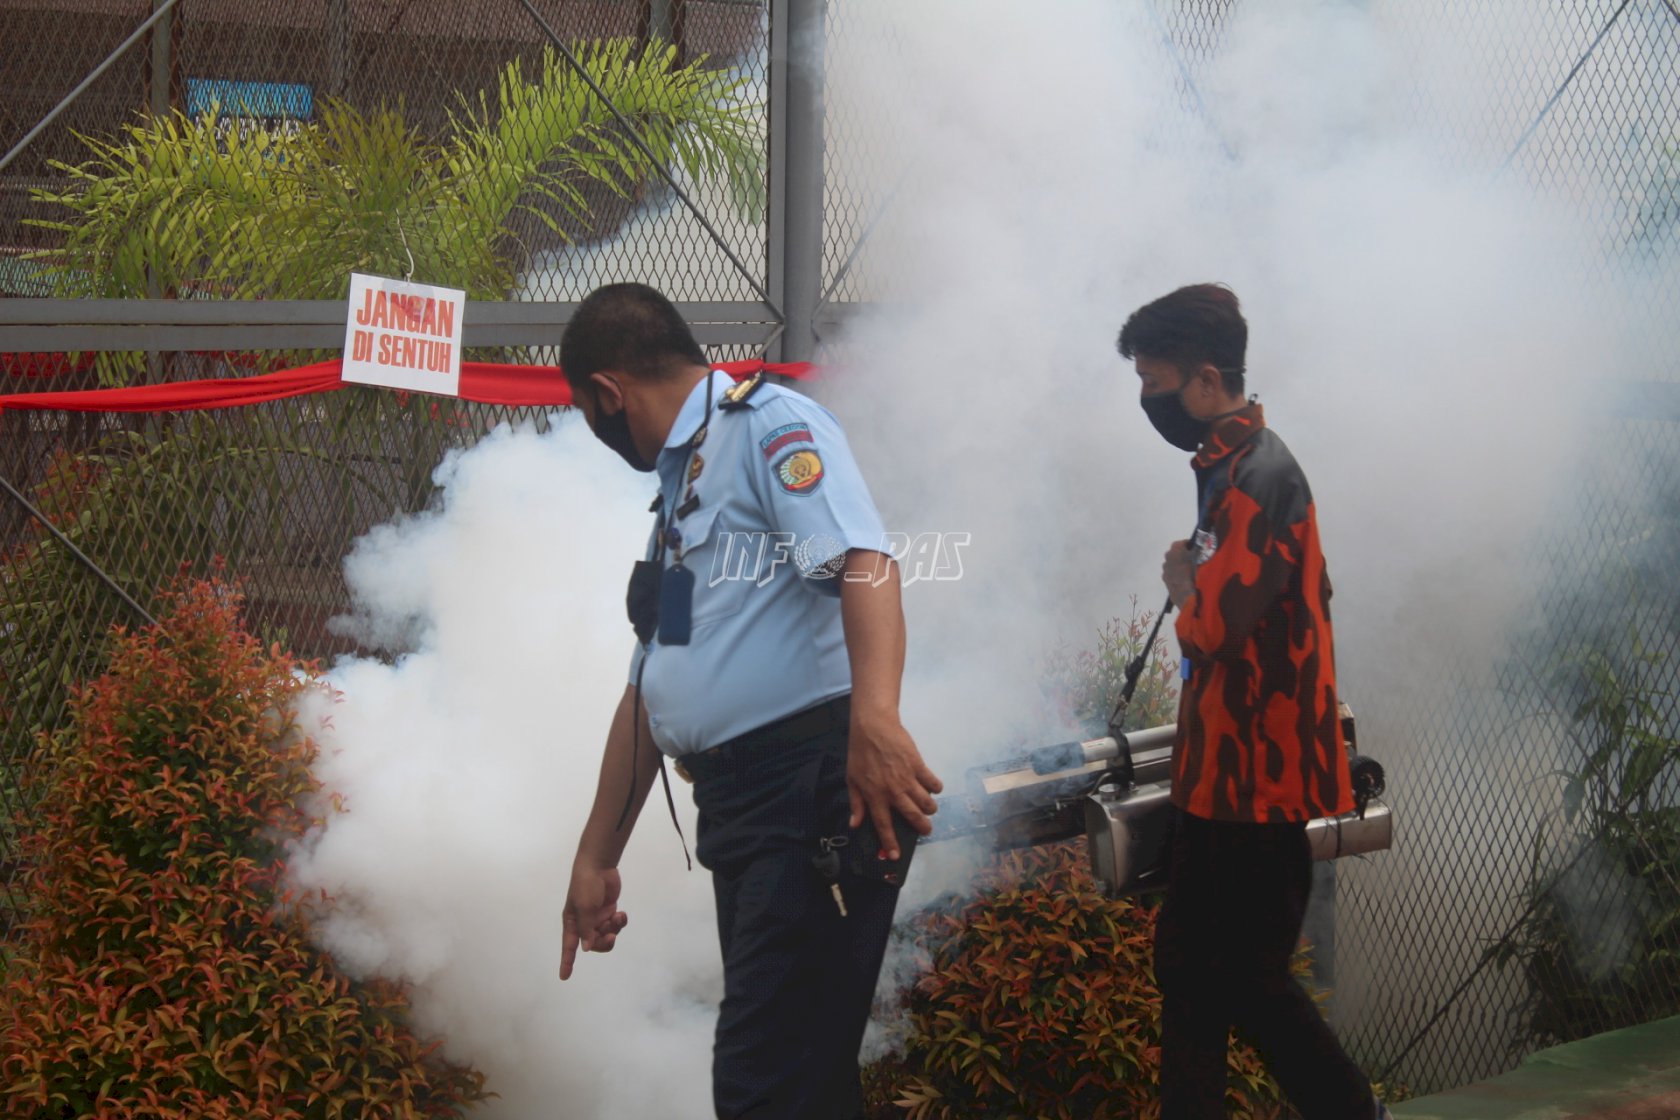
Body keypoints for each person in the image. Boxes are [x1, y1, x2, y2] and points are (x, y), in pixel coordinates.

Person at [556, 282, 943, 1120]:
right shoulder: (682, 490)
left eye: (589, 416)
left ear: (606, 394)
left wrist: (876, 721)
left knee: (764, 1081)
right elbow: (660, 676)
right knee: (801, 1081)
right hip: (746, 810)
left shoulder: (763, 426)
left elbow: (866, 563)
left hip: (808, 791)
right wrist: (595, 856)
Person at [1116, 284, 1386, 1120]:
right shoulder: (1230, 467)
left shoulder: (1257, 477)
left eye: (1154, 381)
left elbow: (1214, 630)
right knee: (1190, 966)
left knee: (1248, 976)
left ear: (1205, 379)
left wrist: (1183, 584)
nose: (1146, 400)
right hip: (1221, 773)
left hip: (1257, 778)